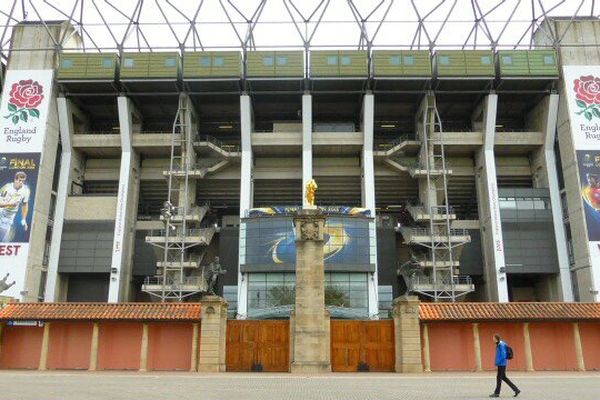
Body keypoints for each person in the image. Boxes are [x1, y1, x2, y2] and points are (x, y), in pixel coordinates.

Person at [0, 171, 30, 242]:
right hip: (1, 211)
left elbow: (25, 204)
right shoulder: (6, 187)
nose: (21, 183)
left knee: (2, 237)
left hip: (10, 216)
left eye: (23, 181)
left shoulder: (26, 190)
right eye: (20, 180)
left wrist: (23, 219)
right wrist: (10, 204)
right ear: (15, 179)